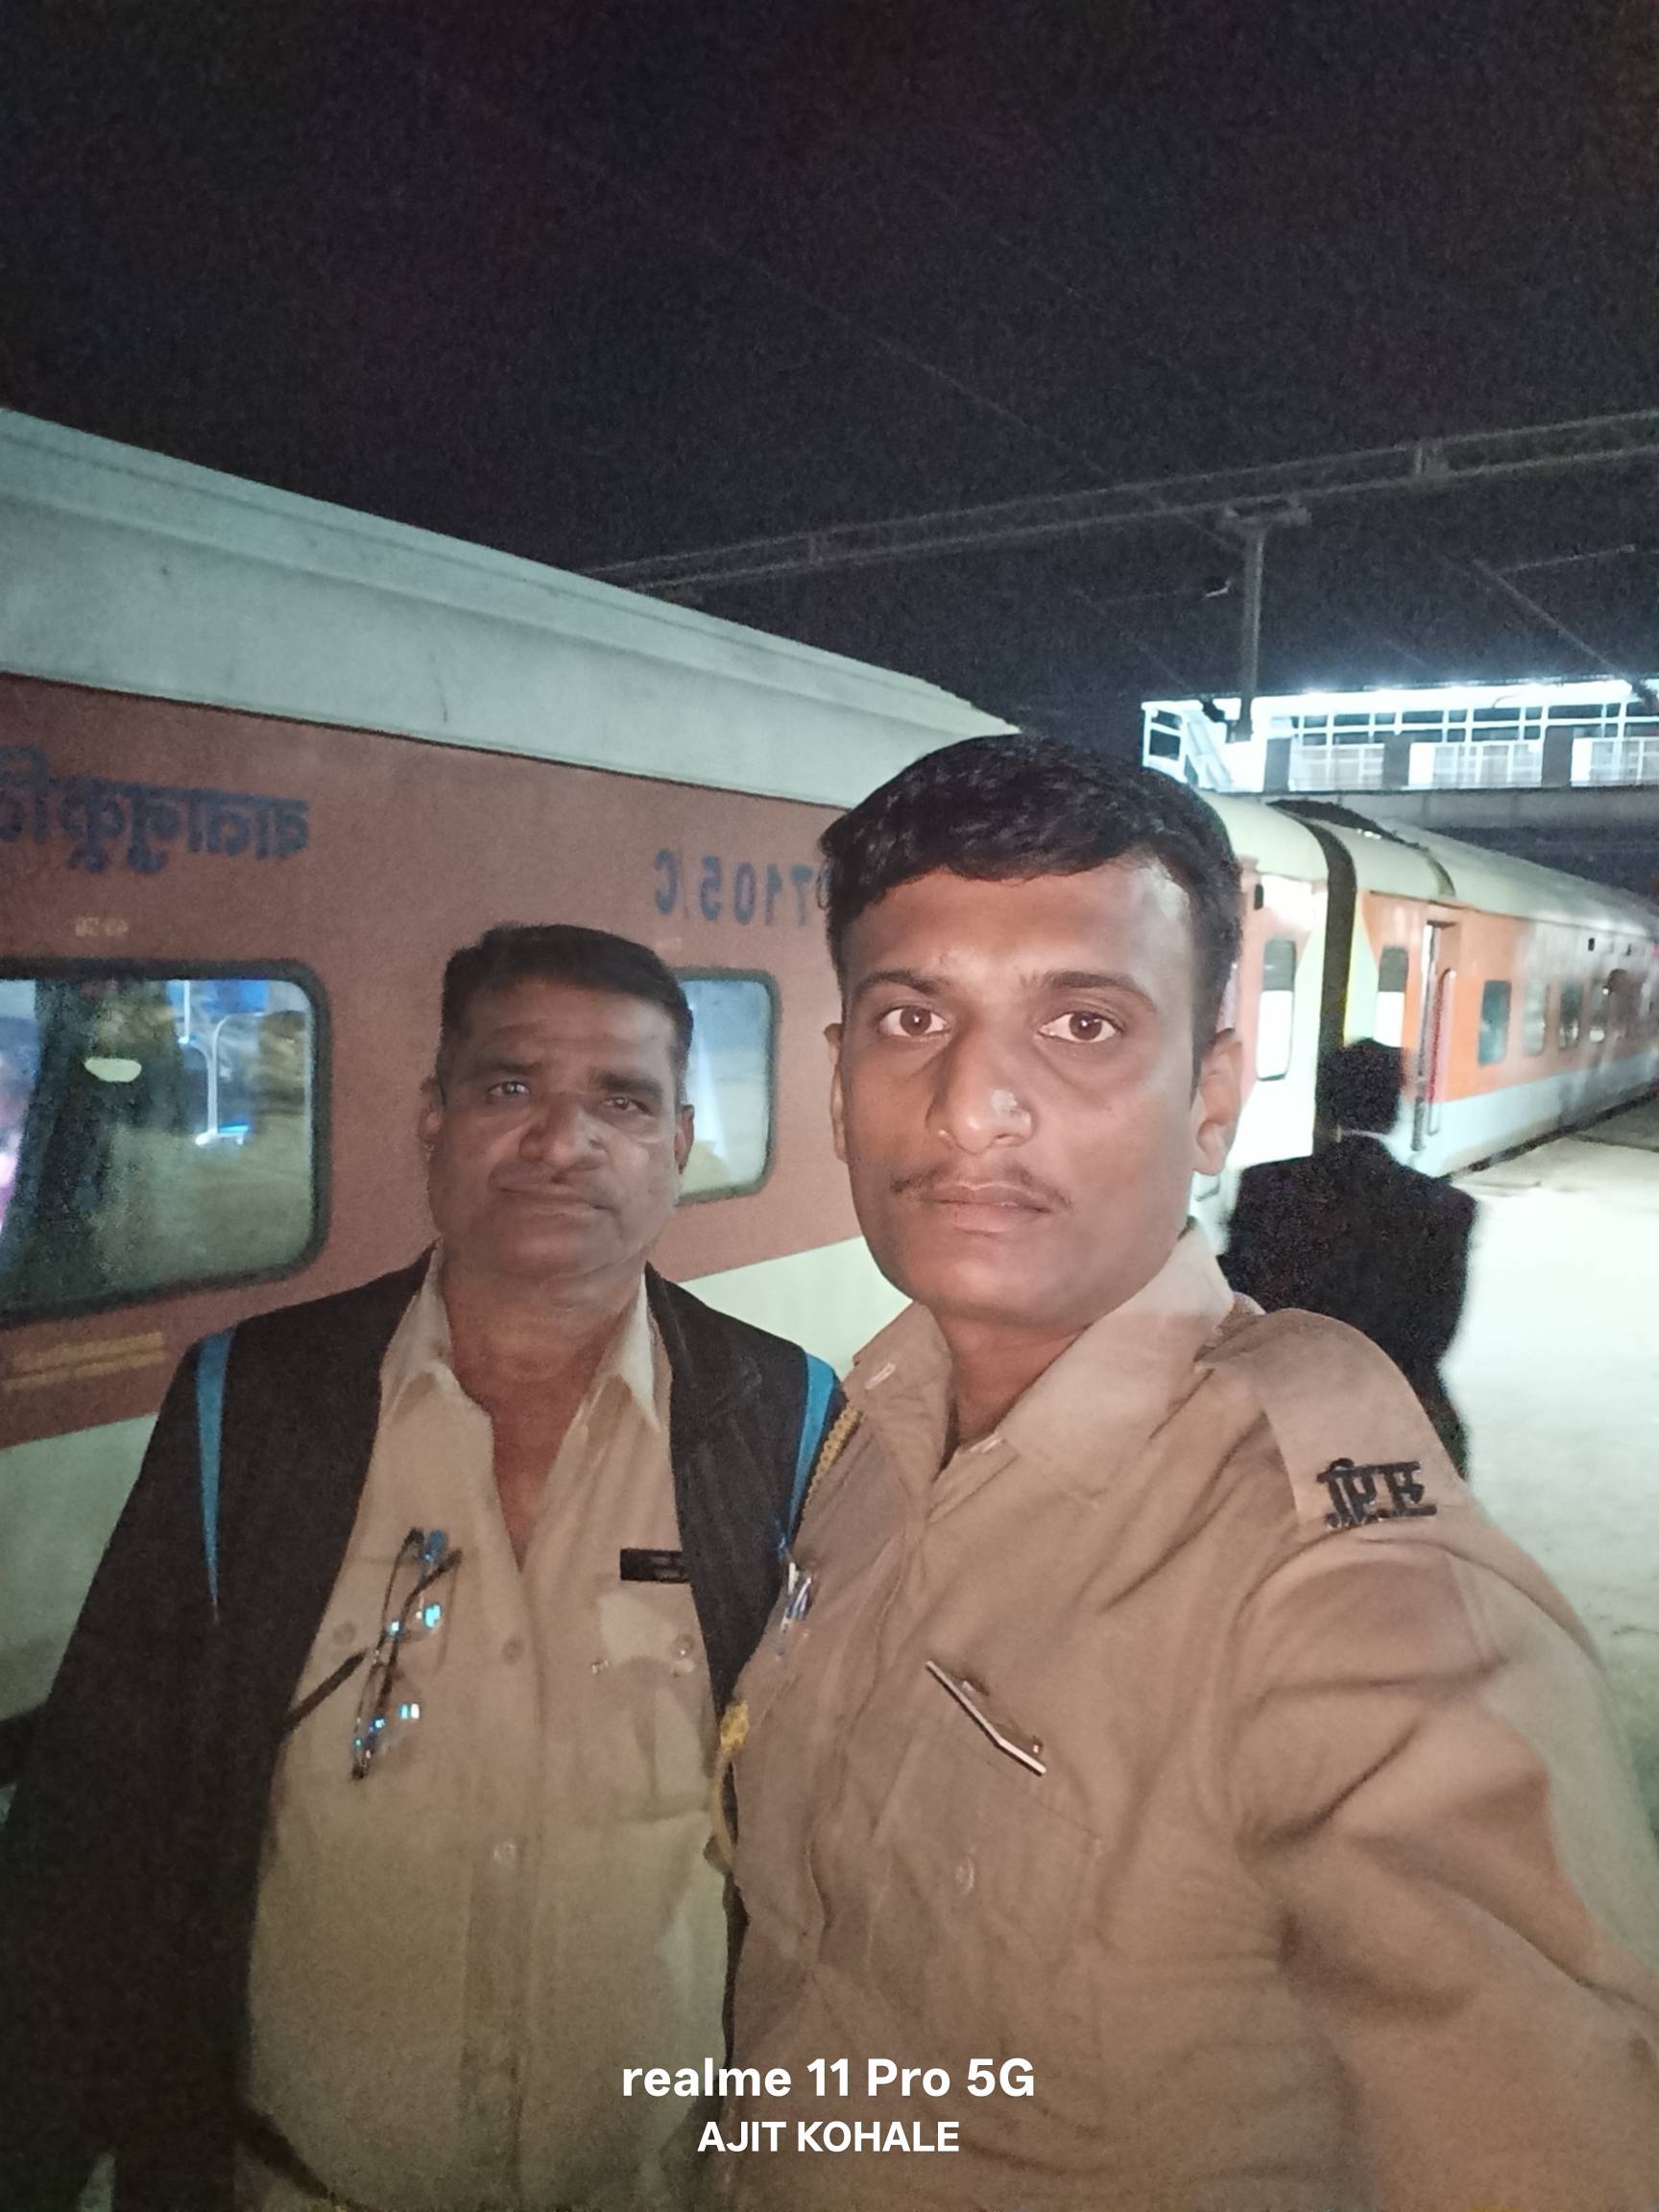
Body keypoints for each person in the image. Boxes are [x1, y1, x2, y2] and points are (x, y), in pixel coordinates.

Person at [712, 736, 1659, 2212]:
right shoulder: (871, 1434)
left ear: (1215, 1093)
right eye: (912, 1017)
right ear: (838, 1083)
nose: (970, 1106)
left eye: (1083, 1023)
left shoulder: (1349, 1594)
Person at [0, 924, 840, 2212]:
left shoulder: (784, 1421)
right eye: (511, 1087)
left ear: (678, 1143)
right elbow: (97, 1814)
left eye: (622, 1102)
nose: (563, 1142)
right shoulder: (253, 1405)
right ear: (433, 1119)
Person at [1223, 1035, 1477, 1475]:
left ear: (1324, 1102)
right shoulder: (1446, 1207)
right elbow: (1435, 1334)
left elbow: (1240, 1297)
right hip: (1396, 1410)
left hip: (1282, 1401)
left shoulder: (1265, 1185)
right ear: (1395, 1108)